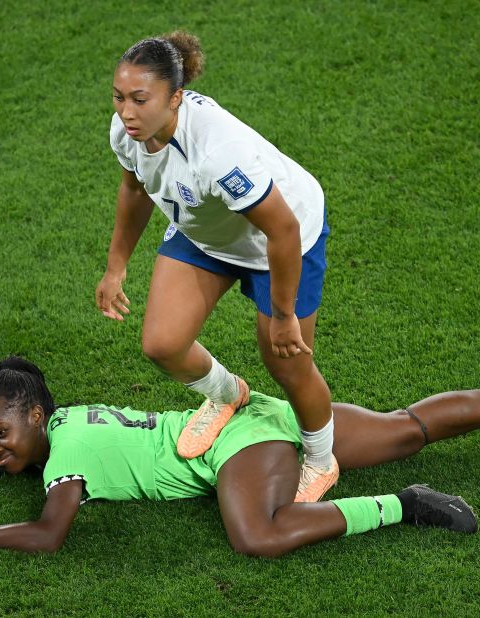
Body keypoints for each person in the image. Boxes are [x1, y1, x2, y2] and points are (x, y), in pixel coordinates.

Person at [0, 357, 480, 556]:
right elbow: (13, 423)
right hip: (254, 416)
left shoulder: (63, 463)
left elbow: (48, 536)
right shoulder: (68, 418)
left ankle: (406, 505)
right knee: (403, 427)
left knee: (256, 534)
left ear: (37, 418)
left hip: (238, 447)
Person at [94, 31, 338, 502]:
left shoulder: (216, 153)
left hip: (285, 237)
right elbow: (135, 189)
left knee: (285, 361)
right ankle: (229, 395)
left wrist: (284, 317)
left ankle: (322, 458)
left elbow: (281, 230)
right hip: (206, 230)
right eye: (119, 98)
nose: (127, 112)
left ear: (176, 97)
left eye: (141, 100)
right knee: (162, 343)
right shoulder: (127, 132)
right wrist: (115, 267)